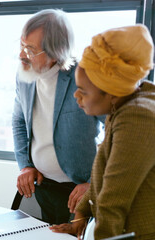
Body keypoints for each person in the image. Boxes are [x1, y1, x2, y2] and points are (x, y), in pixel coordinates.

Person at [51, 24, 155, 239]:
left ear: (111, 93)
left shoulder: (137, 117)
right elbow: (105, 174)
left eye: (83, 92)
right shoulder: (124, 103)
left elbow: (114, 199)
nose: (76, 97)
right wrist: (79, 217)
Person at [12, 9, 103, 224]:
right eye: (21, 45)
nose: (21, 55)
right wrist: (25, 164)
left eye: (30, 49)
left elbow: (117, 132)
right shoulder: (24, 74)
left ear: (55, 52)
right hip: (44, 186)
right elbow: (19, 121)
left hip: (81, 190)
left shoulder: (86, 77)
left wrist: (94, 182)